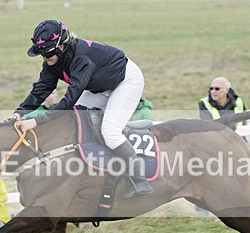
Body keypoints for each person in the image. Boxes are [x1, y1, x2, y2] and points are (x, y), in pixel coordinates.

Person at [12, 19, 153, 198]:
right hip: (100, 86)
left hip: (126, 82)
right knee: (75, 120)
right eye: (42, 56)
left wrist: (36, 120)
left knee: (110, 132)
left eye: (47, 55)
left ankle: (140, 180)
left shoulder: (81, 58)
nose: (45, 60)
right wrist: (19, 112)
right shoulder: (53, 62)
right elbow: (41, 89)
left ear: (61, 46)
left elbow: (69, 101)